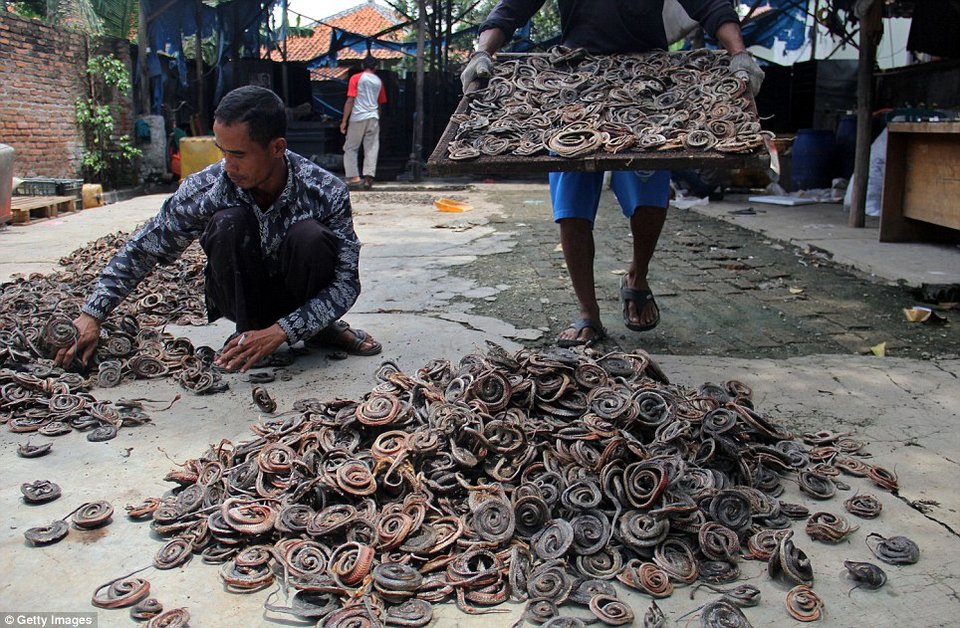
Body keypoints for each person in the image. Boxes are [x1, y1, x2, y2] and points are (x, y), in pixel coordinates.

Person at [462, 0, 764, 347]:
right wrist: (481, 53)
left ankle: (637, 275)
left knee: (650, 198)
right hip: (574, 80)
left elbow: (709, 4)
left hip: (650, 82)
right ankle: (588, 313)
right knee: (571, 206)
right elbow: (512, 8)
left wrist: (739, 54)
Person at [54, 85, 381, 373]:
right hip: (238, 298)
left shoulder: (326, 191)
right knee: (228, 223)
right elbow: (146, 246)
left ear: (277, 148)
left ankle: (317, 330)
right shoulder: (209, 187)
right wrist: (92, 314)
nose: (228, 165)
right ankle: (249, 332)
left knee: (310, 237)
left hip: (301, 296)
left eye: (238, 154)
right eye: (222, 151)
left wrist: (285, 329)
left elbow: (345, 283)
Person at [341, 54, 387, 191]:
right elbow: (380, 104)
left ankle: (353, 177)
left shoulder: (356, 78)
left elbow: (350, 100)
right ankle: (368, 177)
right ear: (376, 67)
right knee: (372, 148)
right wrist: (377, 118)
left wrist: (344, 121)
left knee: (350, 147)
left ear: (362, 66)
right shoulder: (378, 81)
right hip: (373, 117)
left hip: (358, 117)